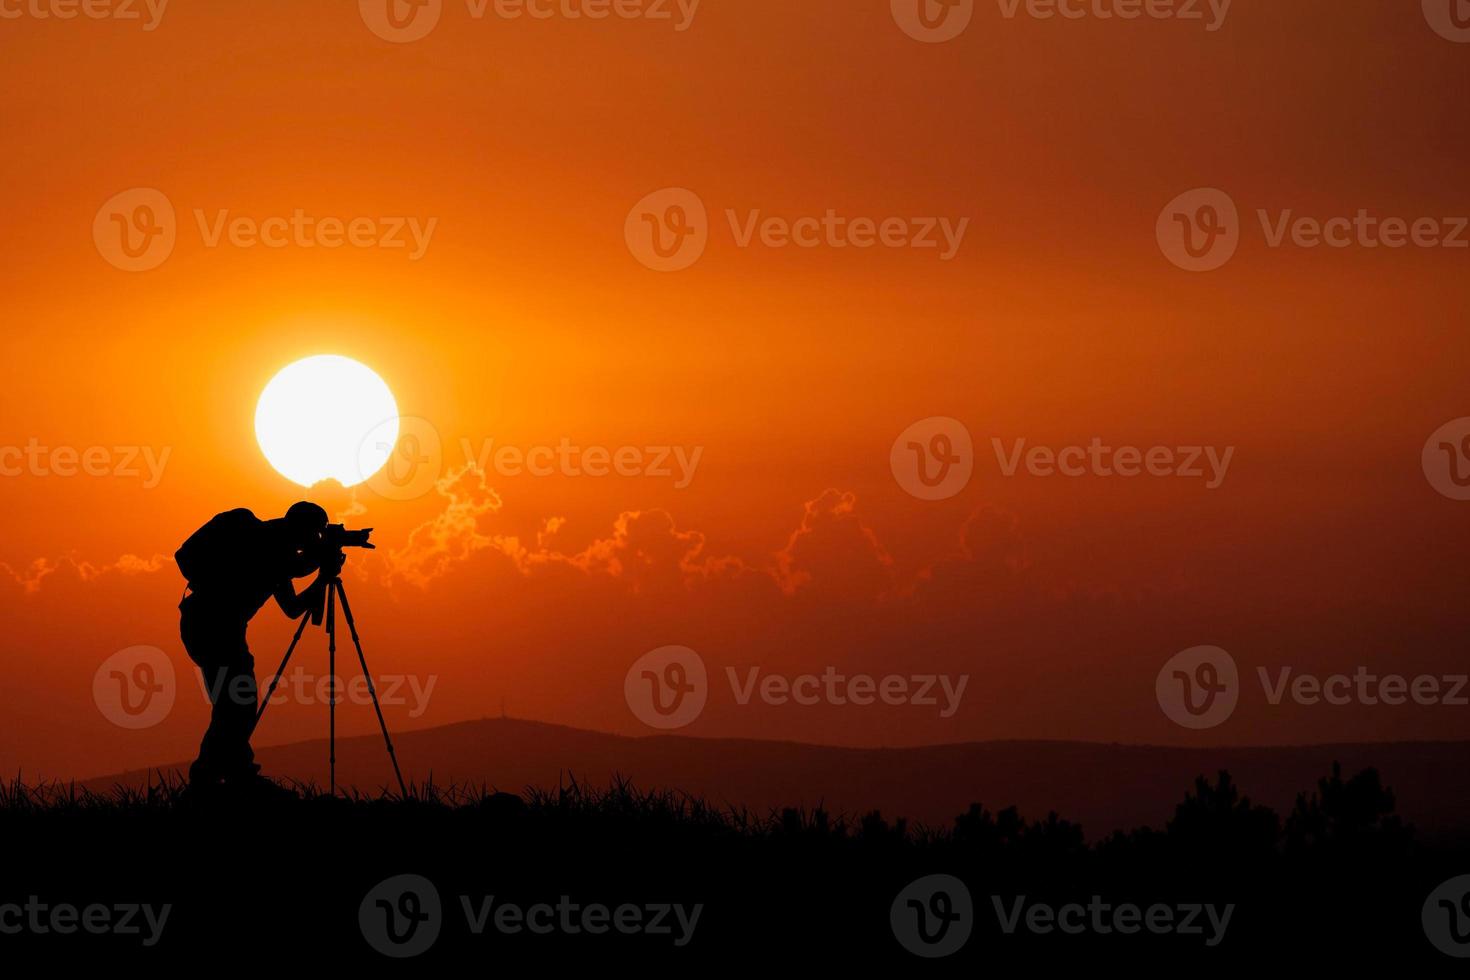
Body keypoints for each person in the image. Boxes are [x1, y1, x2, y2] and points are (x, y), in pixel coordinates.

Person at [174, 501, 343, 792]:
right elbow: (292, 566)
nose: (313, 542)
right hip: (212, 627)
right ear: (299, 530)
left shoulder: (277, 552)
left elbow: (291, 608)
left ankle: (232, 774)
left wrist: (322, 577)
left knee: (233, 705)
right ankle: (208, 779)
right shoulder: (263, 543)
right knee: (237, 703)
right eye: (313, 535)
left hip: (212, 628)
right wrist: (322, 565)